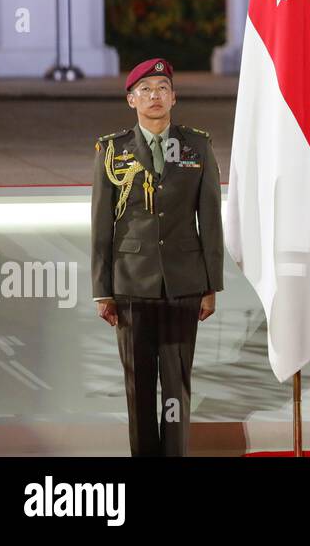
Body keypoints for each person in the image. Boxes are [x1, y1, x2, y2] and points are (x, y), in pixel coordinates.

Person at [91, 58, 223, 456]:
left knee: (177, 386)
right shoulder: (112, 150)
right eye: (145, 90)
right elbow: (101, 226)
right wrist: (102, 291)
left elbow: (211, 220)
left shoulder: (196, 146)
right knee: (139, 384)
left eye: (162, 88)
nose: (154, 96)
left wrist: (211, 284)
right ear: (131, 99)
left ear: (174, 98)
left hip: (184, 283)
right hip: (131, 283)